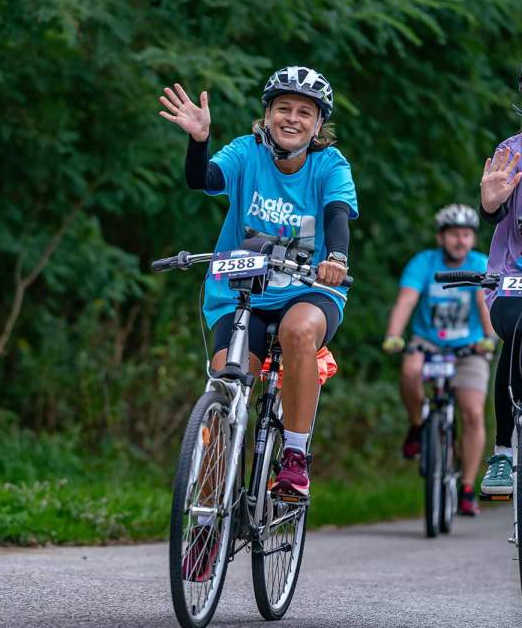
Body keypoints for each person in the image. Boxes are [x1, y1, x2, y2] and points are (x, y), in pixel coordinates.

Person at [159, 65, 358, 499]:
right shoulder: (245, 152)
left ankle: (294, 456)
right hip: (241, 292)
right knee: (223, 393)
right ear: (267, 115)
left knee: (298, 331)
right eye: (283, 108)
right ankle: (207, 518)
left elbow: (337, 214)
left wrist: (336, 258)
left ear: (319, 123)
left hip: (309, 289)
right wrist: (198, 141)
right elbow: (203, 179)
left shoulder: (330, 165)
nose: (292, 118)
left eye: (304, 112)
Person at [382, 205, 494, 516]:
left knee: (472, 412)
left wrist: (489, 338)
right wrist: (394, 335)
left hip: (469, 348)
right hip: (428, 343)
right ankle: (418, 426)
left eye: (467, 234)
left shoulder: (479, 263)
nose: (461, 240)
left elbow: (484, 304)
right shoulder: (423, 263)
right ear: (441, 237)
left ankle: (468, 488)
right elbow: (407, 300)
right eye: (455, 234)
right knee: (410, 370)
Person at [477, 114, 522, 497]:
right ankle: (503, 452)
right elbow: (494, 211)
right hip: (512, 283)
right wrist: (491, 204)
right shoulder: (512, 151)